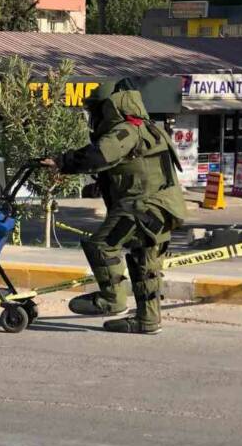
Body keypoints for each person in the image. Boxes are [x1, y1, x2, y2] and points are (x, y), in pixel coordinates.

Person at [41, 79, 186, 334]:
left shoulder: (125, 130)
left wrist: (63, 162)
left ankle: (112, 300)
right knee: (145, 264)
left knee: (102, 245)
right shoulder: (149, 128)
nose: (93, 118)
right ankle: (148, 321)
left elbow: (100, 155)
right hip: (165, 207)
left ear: (109, 108)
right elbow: (138, 169)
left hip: (142, 206)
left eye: (95, 110)